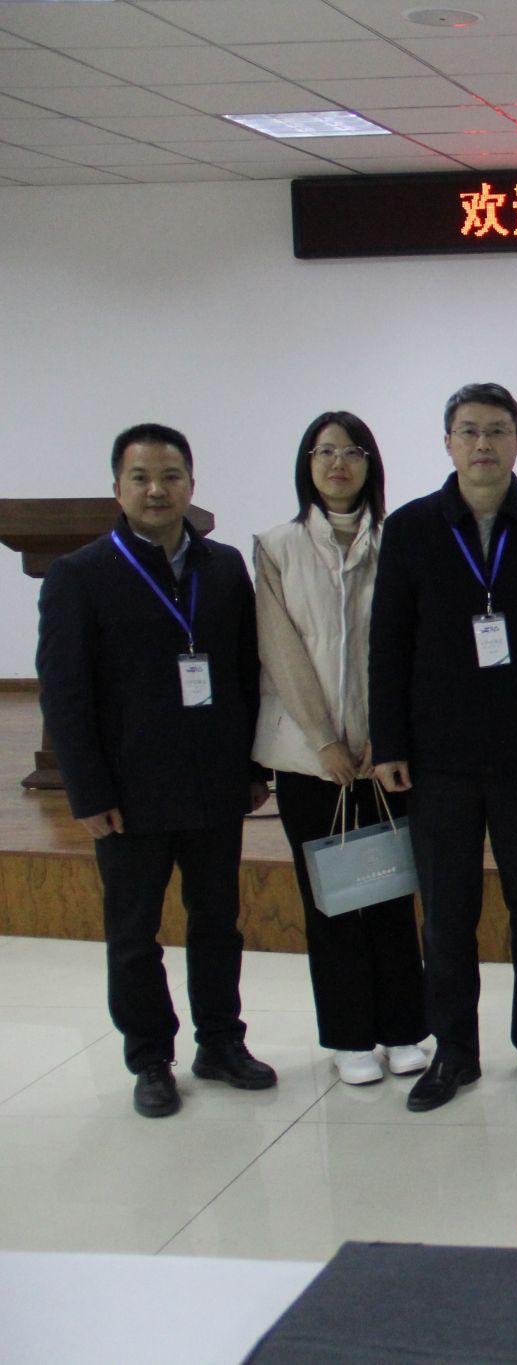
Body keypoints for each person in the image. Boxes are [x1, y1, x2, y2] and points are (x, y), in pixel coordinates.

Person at [37, 423, 276, 1118]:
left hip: (213, 781)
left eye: (171, 476)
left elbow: (245, 672)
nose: (156, 490)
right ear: (117, 487)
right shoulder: (80, 574)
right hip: (129, 789)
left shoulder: (223, 566)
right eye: (140, 477)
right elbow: (65, 693)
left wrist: (253, 767)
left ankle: (221, 1042)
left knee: (218, 922)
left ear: (191, 485)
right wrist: (88, 790)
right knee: (134, 933)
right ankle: (149, 1057)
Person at [370, 382, 517, 1113]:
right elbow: (388, 639)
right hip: (440, 756)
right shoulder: (412, 527)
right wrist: (389, 740)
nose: (482, 444)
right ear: (448, 442)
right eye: (468, 431)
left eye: (496, 430)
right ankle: (454, 1050)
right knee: (448, 914)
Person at [255, 412, 429, 1087]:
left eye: (352, 451)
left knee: (391, 891)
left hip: (387, 756)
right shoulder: (277, 547)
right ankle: (350, 1036)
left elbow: (410, 645)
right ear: (307, 463)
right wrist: (325, 740)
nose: (338, 463)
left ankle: (405, 1028)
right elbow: (281, 651)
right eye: (324, 451)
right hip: (311, 758)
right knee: (332, 899)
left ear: (370, 463)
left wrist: (385, 734)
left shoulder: (399, 540)